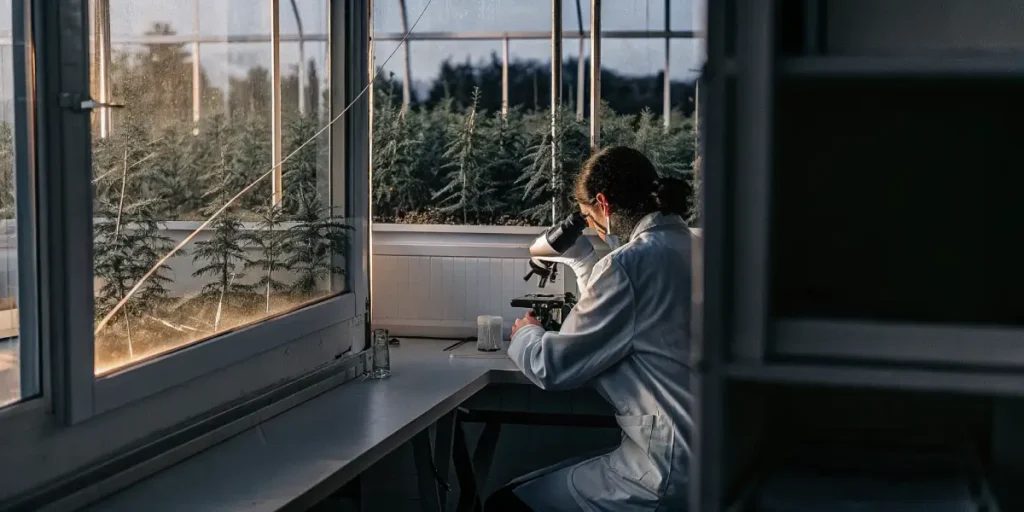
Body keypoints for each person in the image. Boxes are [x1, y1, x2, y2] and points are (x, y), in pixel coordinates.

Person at [485, 146, 694, 511]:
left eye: (587, 216)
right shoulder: (694, 245)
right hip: (718, 459)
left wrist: (525, 333)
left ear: (603, 203)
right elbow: (619, 318)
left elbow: (553, 367)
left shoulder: (629, 264)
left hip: (666, 470)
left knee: (506, 503)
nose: (592, 225)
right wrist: (583, 260)